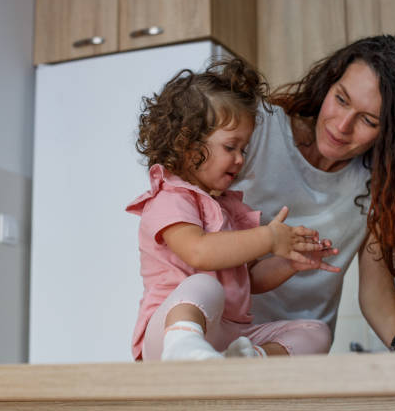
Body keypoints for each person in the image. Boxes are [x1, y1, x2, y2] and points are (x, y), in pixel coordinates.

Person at [233, 35, 395, 352]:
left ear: (392, 132)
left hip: (298, 352)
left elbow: (376, 292)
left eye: (368, 120)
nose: (341, 127)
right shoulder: (257, 129)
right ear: (329, 83)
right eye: (341, 99)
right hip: (220, 342)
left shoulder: (377, 186)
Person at [126, 59, 340, 361]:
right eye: (231, 147)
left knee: (316, 332)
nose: (240, 159)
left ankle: (249, 358)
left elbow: (248, 279)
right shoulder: (170, 197)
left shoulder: (229, 207)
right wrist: (269, 238)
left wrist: (289, 262)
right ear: (187, 145)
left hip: (227, 335)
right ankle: (183, 349)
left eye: (244, 149)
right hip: (167, 331)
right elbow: (199, 252)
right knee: (204, 285)